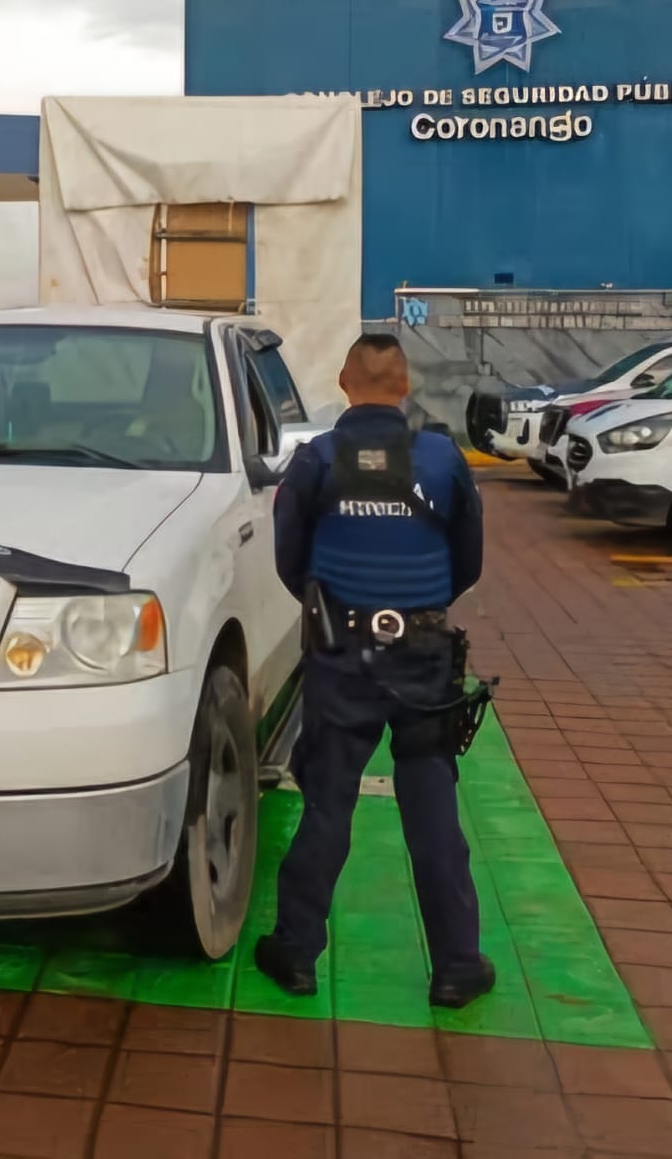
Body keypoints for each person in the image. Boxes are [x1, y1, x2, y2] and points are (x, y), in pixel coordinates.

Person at [258, 333, 494, 1008]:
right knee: (432, 815)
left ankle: (296, 953)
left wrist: (341, 607)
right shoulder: (443, 458)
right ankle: (455, 966)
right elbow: (466, 559)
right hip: (423, 660)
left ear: (342, 381)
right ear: (404, 382)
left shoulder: (316, 459)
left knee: (327, 806)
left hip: (341, 660)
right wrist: (416, 609)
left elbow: (289, 559)